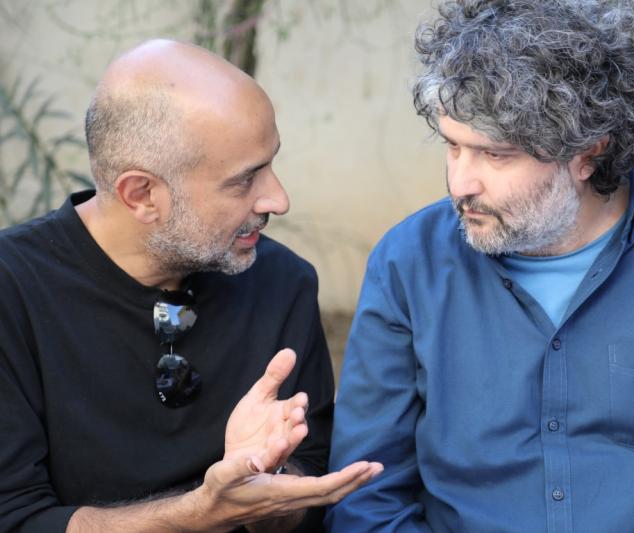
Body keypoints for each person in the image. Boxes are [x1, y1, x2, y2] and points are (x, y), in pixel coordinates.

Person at [326, 0, 634, 531]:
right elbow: (366, 496)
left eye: (496, 154)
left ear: (588, 152)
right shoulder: (408, 264)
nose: (461, 184)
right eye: (453, 147)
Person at [0, 39, 381, 533]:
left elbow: (308, 498)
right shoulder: (14, 290)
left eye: (271, 163)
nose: (278, 199)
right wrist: (202, 514)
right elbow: (16, 518)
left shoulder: (282, 283)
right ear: (141, 194)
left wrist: (269, 486)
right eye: (244, 180)